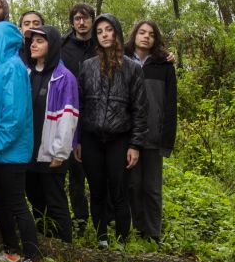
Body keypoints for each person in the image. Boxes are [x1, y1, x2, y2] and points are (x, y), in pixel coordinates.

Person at [75, 13, 148, 249]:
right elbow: (81, 105)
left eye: (108, 30)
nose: (104, 35)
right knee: (96, 190)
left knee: (119, 191)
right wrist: (78, 140)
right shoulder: (87, 67)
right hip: (91, 137)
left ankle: (123, 241)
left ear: (116, 32)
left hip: (120, 138)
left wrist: (135, 145)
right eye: (100, 31)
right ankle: (101, 238)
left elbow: (140, 109)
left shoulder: (132, 68)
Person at [0, 21, 40, 262]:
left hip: (9, 150)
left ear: (3, 41)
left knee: (16, 202)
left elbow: (14, 116)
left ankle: (32, 256)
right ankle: (11, 252)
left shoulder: (14, 68)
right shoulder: (1, 67)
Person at [24, 25, 79, 243]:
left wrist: (60, 152)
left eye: (40, 41)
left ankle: (66, 246)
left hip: (51, 154)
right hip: (28, 152)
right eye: (32, 41)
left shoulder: (64, 78)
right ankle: (45, 240)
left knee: (55, 201)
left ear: (52, 44)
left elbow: (69, 117)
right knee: (35, 199)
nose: (33, 44)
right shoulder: (26, 73)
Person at [124, 20, 177, 246]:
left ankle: (153, 234)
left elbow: (170, 104)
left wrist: (167, 138)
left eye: (151, 34)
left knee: (152, 188)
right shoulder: (122, 60)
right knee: (133, 186)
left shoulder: (164, 65)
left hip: (154, 136)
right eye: (142, 32)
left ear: (156, 40)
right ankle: (138, 229)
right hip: (128, 137)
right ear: (134, 34)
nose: (146, 36)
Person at [60, 3, 97, 237]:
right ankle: (80, 220)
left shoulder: (103, 42)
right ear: (72, 22)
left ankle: (105, 220)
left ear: (92, 20)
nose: (81, 22)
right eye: (76, 19)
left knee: (96, 172)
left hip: (97, 113)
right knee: (74, 172)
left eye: (85, 18)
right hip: (70, 113)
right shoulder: (63, 46)